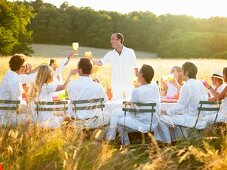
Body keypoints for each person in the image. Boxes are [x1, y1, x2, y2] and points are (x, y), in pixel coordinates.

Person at [106, 64, 161, 145]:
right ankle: (118, 141)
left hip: (142, 123)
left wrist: (125, 105)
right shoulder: (155, 86)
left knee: (117, 117)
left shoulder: (137, 91)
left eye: (139, 72)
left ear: (141, 75)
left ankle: (112, 140)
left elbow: (132, 112)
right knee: (117, 113)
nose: (137, 74)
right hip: (154, 122)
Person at [155, 62, 208, 144]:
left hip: (191, 120)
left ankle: (167, 144)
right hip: (201, 120)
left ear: (186, 72)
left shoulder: (187, 86)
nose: (181, 74)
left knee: (161, 119)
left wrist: (167, 112)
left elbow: (180, 105)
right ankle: (175, 140)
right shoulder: (200, 84)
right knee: (172, 117)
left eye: (182, 71)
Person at [92, 33, 139, 100]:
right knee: (116, 104)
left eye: (113, 39)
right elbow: (101, 62)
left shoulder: (130, 52)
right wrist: (92, 60)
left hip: (128, 84)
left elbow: (135, 65)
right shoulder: (110, 54)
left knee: (131, 103)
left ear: (119, 41)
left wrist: (138, 80)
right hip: (116, 85)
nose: (111, 41)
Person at [67, 58, 109, 129]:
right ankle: (100, 138)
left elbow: (70, 98)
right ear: (91, 71)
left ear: (80, 70)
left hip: (76, 122)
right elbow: (105, 100)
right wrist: (99, 85)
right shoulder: (97, 86)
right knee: (110, 117)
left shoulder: (71, 84)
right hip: (92, 122)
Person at [0, 54, 40, 125]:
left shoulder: (10, 74)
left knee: (32, 110)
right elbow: (17, 105)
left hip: (4, 112)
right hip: (8, 117)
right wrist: (29, 106)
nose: (26, 68)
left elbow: (28, 77)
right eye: (25, 66)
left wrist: (41, 68)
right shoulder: (15, 81)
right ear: (20, 67)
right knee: (36, 117)